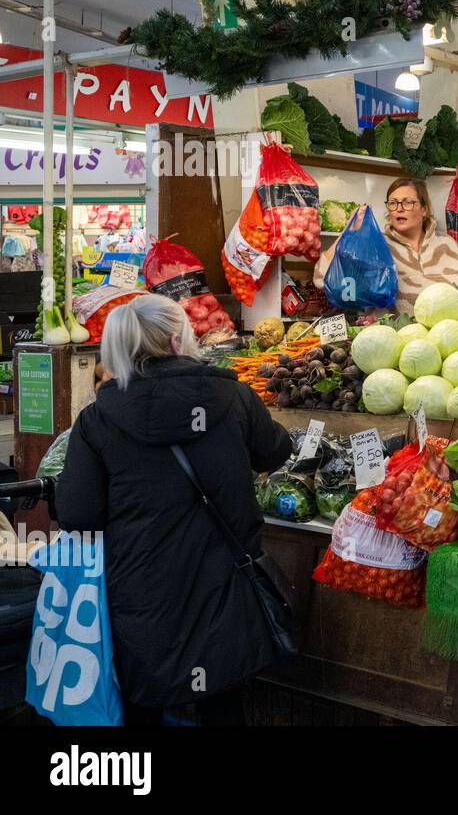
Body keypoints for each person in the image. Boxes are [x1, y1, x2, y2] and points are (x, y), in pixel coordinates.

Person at [55, 295, 293, 725]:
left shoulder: (99, 418)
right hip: (223, 578)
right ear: (176, 338)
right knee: (221, 696)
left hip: (141, 589)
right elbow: (275, 451)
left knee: (144, 698)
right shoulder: (233, 396)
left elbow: (78, 514)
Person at [314, 177, 458, 317]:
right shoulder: (374, 245)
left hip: (447, 340)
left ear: (424, 209)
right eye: (393, 203)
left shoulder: (449, 246)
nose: (399, 208)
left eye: (408, 202)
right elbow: (322, 279)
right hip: (393, 341)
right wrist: (348, 230)